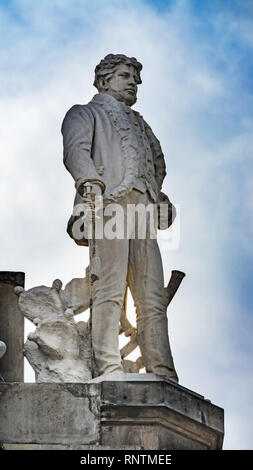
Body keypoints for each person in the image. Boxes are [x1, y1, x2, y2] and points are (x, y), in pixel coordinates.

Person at [61, 54, 178, 381]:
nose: (132, 83)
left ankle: (163, 372)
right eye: (125, 75)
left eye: (135, 79)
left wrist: (159, 198)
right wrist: (89, 182)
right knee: (109, 290)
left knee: (152, 296)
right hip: (107, 205)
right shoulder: (85, 113)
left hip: (142, 210)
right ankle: (109, 369)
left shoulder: (143, 126)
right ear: (104, 80)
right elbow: (76, 152)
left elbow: (157, 166)